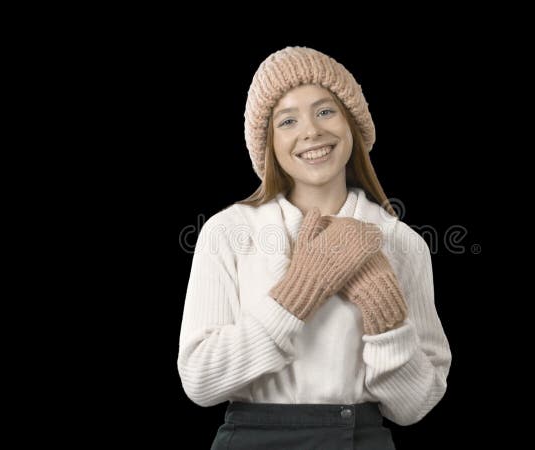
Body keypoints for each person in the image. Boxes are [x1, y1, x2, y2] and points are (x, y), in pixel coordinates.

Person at [177, 46, 452, 449]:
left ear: (351, 123)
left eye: (325, 111)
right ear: (269, 142)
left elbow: (413, 407)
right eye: (288, 120)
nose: (311, 132)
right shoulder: (228, 231)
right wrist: (298, 292)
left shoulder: (401, 242)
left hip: (362, 438)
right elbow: (201, 380)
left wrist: (386, 319)